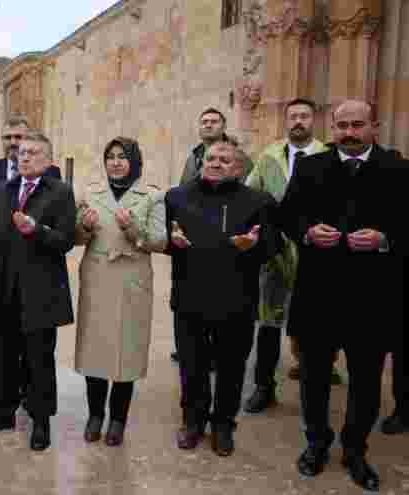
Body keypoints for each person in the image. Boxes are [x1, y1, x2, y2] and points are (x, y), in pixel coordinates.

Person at [280, 100, 407, 492]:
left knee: (367, 380)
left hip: (375, 297)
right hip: (319, 293)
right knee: (314, 376)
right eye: (341, 125)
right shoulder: (311, 166)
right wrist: (306, 232)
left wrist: (386, 239)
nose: (349, 133)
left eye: (357, 125)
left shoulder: (398, 169)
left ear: (374, 126)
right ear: (331, 127)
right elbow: (286, 215)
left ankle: (355, 450)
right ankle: (317, 444)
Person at [165, 137, 281, 456]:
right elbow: (165, 240)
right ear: (202, 162)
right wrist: (171, 241)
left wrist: (253, 246)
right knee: (192, 366)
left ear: (239, 167)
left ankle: (223, 425)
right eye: (211, 158)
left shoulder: (259, 202)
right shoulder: (177, 197)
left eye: (225, 160)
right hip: (190, 297)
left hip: (237, 301)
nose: (216, 163)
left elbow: (274, 247)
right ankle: (192, 421)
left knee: (231, 367)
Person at [0, 131, 76, 451]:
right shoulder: (1, 191)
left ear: (48, 159)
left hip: (40, 291)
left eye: (32, 152)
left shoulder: (60, 193)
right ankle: (2, 412)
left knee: (38, 360)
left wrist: (37, 230)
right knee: (2, 356)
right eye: (21, 152)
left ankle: (40, 421)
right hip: (3, 289)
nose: (24, 157)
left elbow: (66, 240)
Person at [74, 137, 166, 446]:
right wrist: (83, 228)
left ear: (134, 161)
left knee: (127, 348)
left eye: (122, 157)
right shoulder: (90, 193)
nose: (115, 162)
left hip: (132, 277)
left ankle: (117, 419)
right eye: (110, 157)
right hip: (98, 276)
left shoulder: (152, 196)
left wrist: (133, 230)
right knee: (95, 348)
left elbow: (160, 241)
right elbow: (76, 239)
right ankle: (95, 415)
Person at [243, 98, 329, 413]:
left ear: (314, 120)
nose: (298, 121)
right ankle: (264, 386)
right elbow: (251, 195)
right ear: (285, 120)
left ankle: (314, 387)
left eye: (304, 116)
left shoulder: (327, 156)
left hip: (316, 252)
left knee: (314, 324)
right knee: (268, 321)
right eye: (293, 116)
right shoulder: (268, 156)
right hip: (275, 251)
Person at [0, 115, 61, 405]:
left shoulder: (53, 176)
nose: (13, 144)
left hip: (34, 269)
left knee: (33, 338)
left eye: (18, 138)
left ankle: (29, 390)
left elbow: (56, 223)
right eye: (7, 138)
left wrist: (34, 229)